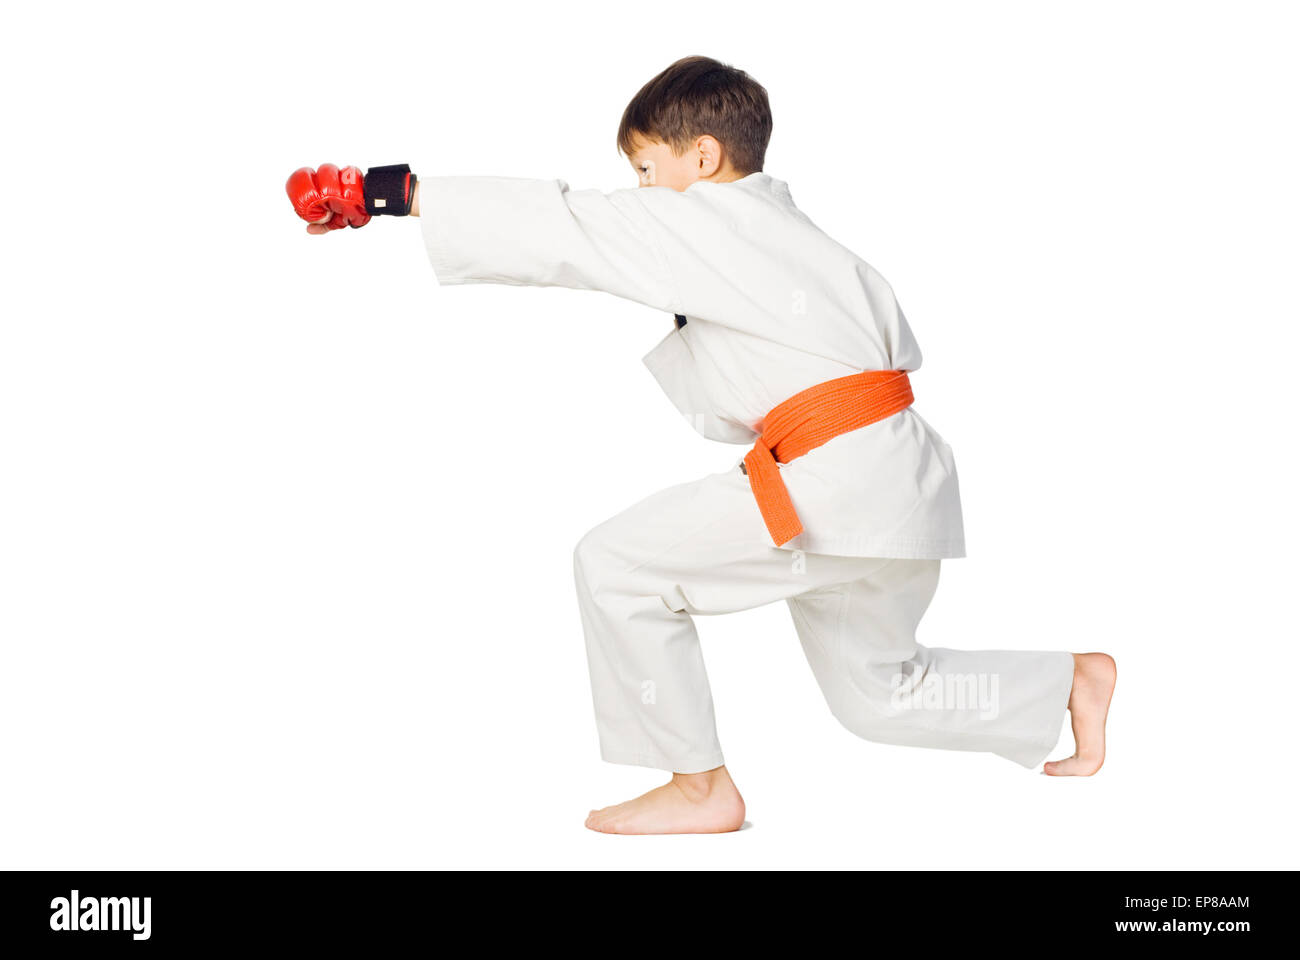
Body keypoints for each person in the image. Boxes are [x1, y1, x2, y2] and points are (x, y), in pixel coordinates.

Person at [286, 55, 1116, 835]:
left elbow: (570, 227)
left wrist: (387, 192)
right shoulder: (804, 245)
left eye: (647, 171)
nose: (638, 191)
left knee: (617, 566)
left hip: (838, 481)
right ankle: (1066, 681)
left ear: (706, 157)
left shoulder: (713, 218)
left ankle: (700, 786)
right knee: (880, 696)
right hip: (893, 487)